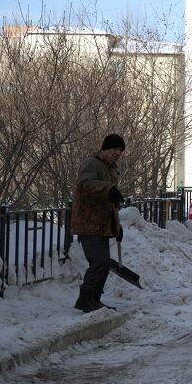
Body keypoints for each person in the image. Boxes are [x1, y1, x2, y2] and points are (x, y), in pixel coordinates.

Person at [70, 134, 126, 312]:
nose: (117, 153)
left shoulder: (111, 169)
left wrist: (117, 226)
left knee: (103, 264)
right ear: (105, 148)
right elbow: (84, 184)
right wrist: (109, 188)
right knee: (99, 263)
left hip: (101, 224)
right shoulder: (92, 163)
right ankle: (85, 300)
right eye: (114, 149)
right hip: (89, 222)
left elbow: (110, 203)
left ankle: (94, 299)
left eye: (120, 150)